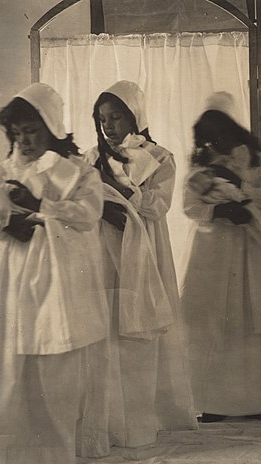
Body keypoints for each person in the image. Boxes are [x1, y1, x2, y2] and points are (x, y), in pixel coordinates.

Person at [0, 83, 108, 464]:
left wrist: (40, 204)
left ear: (52, 128)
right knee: (3, 366)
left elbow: (89, 216)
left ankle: (51, 455)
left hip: (55, 277)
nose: (23, 141)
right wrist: (6, 225)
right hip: (6, 277)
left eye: (32, 131)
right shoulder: (3, 170)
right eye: (16, 133)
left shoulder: (77, 172)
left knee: (52, 369)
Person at [79, 80, 196, 451]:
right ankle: (105, 419)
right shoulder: (88, 157)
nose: (109, 126)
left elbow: (157, 207)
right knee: (103, 327)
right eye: (103, 119)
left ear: (135, 116)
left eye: (116, 117)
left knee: (137, 330)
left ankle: (144, 418)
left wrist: (120, 189)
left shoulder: (160, 157)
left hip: (143, 247)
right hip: (98, 248)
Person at [180, 92, 261, 422]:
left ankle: (254, 400)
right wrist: (218, 208)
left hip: (253, 246)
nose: (214, 141)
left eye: (219, 133)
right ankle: (214, 402)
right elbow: (190, 206)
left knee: (253, 319)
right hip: (214, 249)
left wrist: (241, 191)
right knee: (213, 322)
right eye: (208, 136)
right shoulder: (202, 165)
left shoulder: (260, 161)